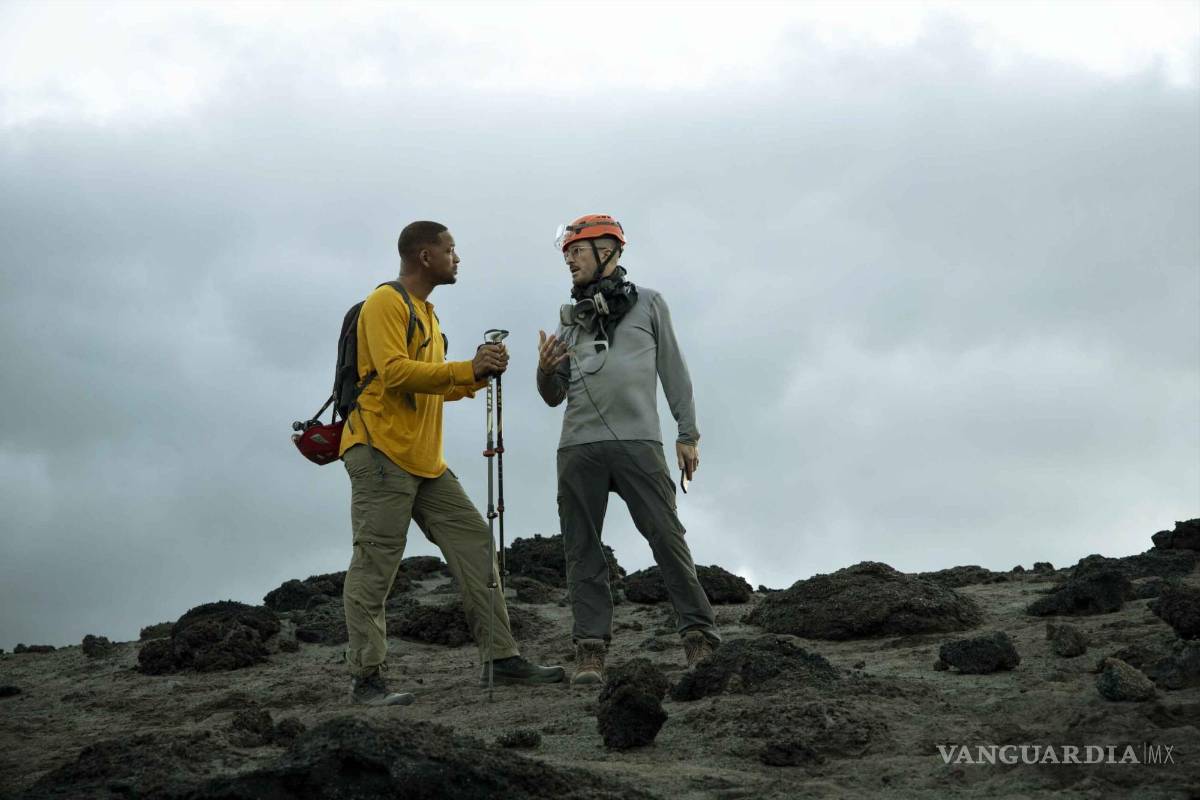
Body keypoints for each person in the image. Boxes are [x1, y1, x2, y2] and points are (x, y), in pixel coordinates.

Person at [340, 220, 564, 706]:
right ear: (425, 256)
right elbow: (396, 373)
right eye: (450, 249)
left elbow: (437, 385)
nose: (457, 257)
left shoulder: (429, 314)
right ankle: (367, 679)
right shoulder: (385, 303)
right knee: (376, 564)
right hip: (379, 451)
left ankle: (501, 659)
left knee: (476, 544)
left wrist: (478, 374)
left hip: (426, 463)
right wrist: (467, 368)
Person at [536, 213, 720, 685]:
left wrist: (688, 433)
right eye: (567, 253)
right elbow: (553, 395)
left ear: (608, 251)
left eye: (577, 250)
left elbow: (674, 371)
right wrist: (544, 370)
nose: (569, 260)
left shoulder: (651, 304)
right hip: (577, 447)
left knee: (667, 538)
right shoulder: (568, 319)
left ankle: (700, 639)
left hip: (639, 444)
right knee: (582, 552)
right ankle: (590, 652)